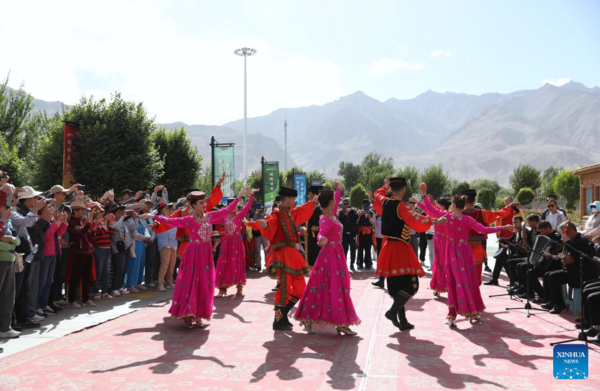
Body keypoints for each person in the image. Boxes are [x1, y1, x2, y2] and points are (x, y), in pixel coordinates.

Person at [150, 188, 248, 328]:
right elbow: (172, 222)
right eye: (201, 203)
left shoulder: (209, 216)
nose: (204, 205)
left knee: (205, 283)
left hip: (206, 254)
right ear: (194, 205)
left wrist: (239, 196)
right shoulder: (189, 219)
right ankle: (189, 313)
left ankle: (200, 313)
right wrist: (154, 217)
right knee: (191, 282)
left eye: (204, 202)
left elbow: (226, 210)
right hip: (193, 254)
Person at [419, 193, 514, 326]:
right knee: (468, 280)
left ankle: (452, 314)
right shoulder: (467, 219)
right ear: (463, 207)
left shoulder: (446, 217)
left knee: (453, 281)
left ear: (453, 205)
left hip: (451, 253)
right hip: (464, 252)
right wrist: (502, 228)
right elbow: (483, 230)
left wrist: (423, 196)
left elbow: (431, 210)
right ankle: (471, 311)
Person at [374, 178, 445, 331]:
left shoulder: (384, 201)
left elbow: (377, 194)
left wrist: (384, 186)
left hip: (388, 248)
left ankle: (403, 320)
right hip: (401, 249)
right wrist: (434, 221)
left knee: (396, 287)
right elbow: (415, 219)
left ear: (391, 189)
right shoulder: (402, 207)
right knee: (411, 285)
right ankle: (393, 312)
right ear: (404, 190)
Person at [294, 181, 360, 335]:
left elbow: (335, 199)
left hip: (338, 254)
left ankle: (341, 322)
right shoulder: (324, 218)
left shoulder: (333, 214)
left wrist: (338, 188)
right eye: (335, 200)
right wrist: (321, 239)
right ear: (330, 203)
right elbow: (321, 232)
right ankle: (310, 317)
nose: (336, 201)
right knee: (325, 286)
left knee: (341, 286)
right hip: (329, 257)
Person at [248, 187, 317, 331]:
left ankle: (284, 314)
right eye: (293, 199)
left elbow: (301, 211)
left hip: (292, 254)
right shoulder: (277, 213)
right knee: (284, 288)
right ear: (287, 200)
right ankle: (278, 320)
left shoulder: (290, 213)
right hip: (282, 255)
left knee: (300, 288)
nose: (295, 202)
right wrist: (265, 224)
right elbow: (269, 221)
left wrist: (312, 202)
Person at [13, 187, 52, 327]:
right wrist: (39, 215)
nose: (36, 200)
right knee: (25, 285)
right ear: (27, 199)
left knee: (29, 285)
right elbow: (32, 228)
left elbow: (39, 230)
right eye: (34, 198)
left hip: (32, 251)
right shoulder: (20, 212)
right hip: (26, 253)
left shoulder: (26, 212)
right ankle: (24, 314)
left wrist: (47, 220)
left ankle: (28, 313)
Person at [542, 222, 597, 314]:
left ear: (571, 230)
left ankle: (559, 304)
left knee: (553, 277)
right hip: (572, 270)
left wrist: (567, 243)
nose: (563, 235)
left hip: (580, 273)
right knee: (547, 275)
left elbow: (579, 257)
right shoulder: (573, 240)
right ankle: (552, 301)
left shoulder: (581, 240)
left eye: (564, 232)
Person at [461, 189, 514, 285]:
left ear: (464, 201)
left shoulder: (458, 214)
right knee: (475, 278)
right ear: (474, 200)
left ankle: (463, 297)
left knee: (463, 276)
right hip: (477, 249)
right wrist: (508, 207)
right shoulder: (482, 213)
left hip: (461, 249)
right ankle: (473, 297)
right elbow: (498, 214)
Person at [213, 190, 257, 297]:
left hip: (236, 243)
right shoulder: (224, 217)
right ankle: (222, 289)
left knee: (237, 263)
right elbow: (212, 219)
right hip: (227, 243)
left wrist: (251, 195)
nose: (235, 207)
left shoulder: (239, 216)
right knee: (223, 263)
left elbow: (247, 206)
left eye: (236, 206)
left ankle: (239, 287)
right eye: (233, 206)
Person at [417, 184, 451, 296]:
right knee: (438, 263)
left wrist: (424, 195)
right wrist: (418, 202)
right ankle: (438, 286)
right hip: (438, 240)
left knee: (444, 264)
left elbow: (430, 209)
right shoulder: (440, 213)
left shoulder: (445, 214)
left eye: (439, 205)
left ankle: (443, 286)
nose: (437, 206)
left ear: (443, 206)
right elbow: (428, 210)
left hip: (444, 242)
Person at [66, 200, 97, 308]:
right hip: (78, 252)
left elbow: (88, 237)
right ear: (75, 210)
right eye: (82, 209)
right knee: (75, 276)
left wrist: (93, 228)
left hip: (86, 251)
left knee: (86, 276)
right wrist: (89, 224)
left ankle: (86, 298)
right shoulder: (72, 222)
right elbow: (81, 232)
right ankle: (72, 300)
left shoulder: (80, 222)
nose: (83, 212)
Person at [38, 207, 68, 316]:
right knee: (42, 281)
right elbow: (48, 234)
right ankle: (38, 306)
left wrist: (63, 223)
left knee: (48, 281)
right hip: (45, 254)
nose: (55, 211)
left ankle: (45, 304)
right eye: (51, 208)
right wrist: (57, 222)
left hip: (53, 253)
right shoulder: (41, 219)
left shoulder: (51, 220)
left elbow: (57, 233)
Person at [0, 189, 21, 339]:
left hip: (9, 259)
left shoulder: (6, 220)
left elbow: (16, 239)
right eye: (4, 205)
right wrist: (9, 244)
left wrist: (11, 242)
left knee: (8, 295)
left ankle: (5, 327)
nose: (8, 208)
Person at [91, 206, 115, 300]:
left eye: (103, 212)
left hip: (107, 249)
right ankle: (96, 292)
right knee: (98, 271)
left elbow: (111, 232)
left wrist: (111, 222)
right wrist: (105, 222)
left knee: (106, 271)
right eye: (101, 212)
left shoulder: (103, 223)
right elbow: (100, 233)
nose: (103, 213)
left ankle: (105, 291)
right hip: (99, 249)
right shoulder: (95, 223)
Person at [153, 202, 177, 292]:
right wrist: (151, 239)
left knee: (172, 265)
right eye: (166, 208)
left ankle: (169, 282)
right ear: (161, 210)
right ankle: (160, 284)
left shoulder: (171, 219)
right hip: (164, 244)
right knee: (164, 264)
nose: (168, 210)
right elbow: (155, 230)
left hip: (173, 243)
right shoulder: (159, 219)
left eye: (168, 208)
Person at [305, 181, 324, 268]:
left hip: (315, 241)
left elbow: (316, 227)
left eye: (309, 194)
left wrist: (306, 230)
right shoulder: (311, 207)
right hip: (312, 240)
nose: (308, 196)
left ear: (315, 195)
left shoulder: (318, 209)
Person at [339, 198, 359, 271]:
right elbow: (340, 220)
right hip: (344, 234)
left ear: (349, 204)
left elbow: (357, 217)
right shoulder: (341, 212)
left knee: (353, 249)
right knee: (344, 249)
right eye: (345, 204)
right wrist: (345, 215)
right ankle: (344, 264)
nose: (346, 205)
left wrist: (351, 212)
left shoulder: (353, 211)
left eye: (347, 204)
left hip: (352, 234)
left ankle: (352, 263)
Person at [357, 199, 375, 270]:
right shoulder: (359, 212)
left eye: (367, 204)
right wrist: (359, 216)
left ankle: (368, 263)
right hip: (361, 232)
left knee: (368, 248)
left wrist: (369, 217)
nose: (366, 206)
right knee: (360, 248)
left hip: (369, 233)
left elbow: (374, 224)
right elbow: (356, 222)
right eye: (365, 204)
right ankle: (360, 263)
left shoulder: (372, 213)